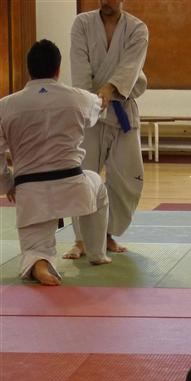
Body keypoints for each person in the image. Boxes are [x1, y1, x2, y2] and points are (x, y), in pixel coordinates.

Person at [0, 39, 111, 286]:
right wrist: (106, 93)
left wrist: (8, 184)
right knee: (98, 186)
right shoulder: (78, 98)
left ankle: (40, 263)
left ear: (28, 69)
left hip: (30, 190)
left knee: (35, 248)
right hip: (73, 185)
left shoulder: (5, 106)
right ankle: (97, 252)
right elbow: (99, 105)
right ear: (58, 69)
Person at [64, 0, 148, 260]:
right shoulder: (82, 24)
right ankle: (81, 239)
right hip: (90, 109)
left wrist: (109, 90)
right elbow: (79, 66)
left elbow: (130, 68)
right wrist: (91, 100)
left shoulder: (137, 29)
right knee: (83, 175)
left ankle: (107, 234)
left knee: (127, 178)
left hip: (122, 109)